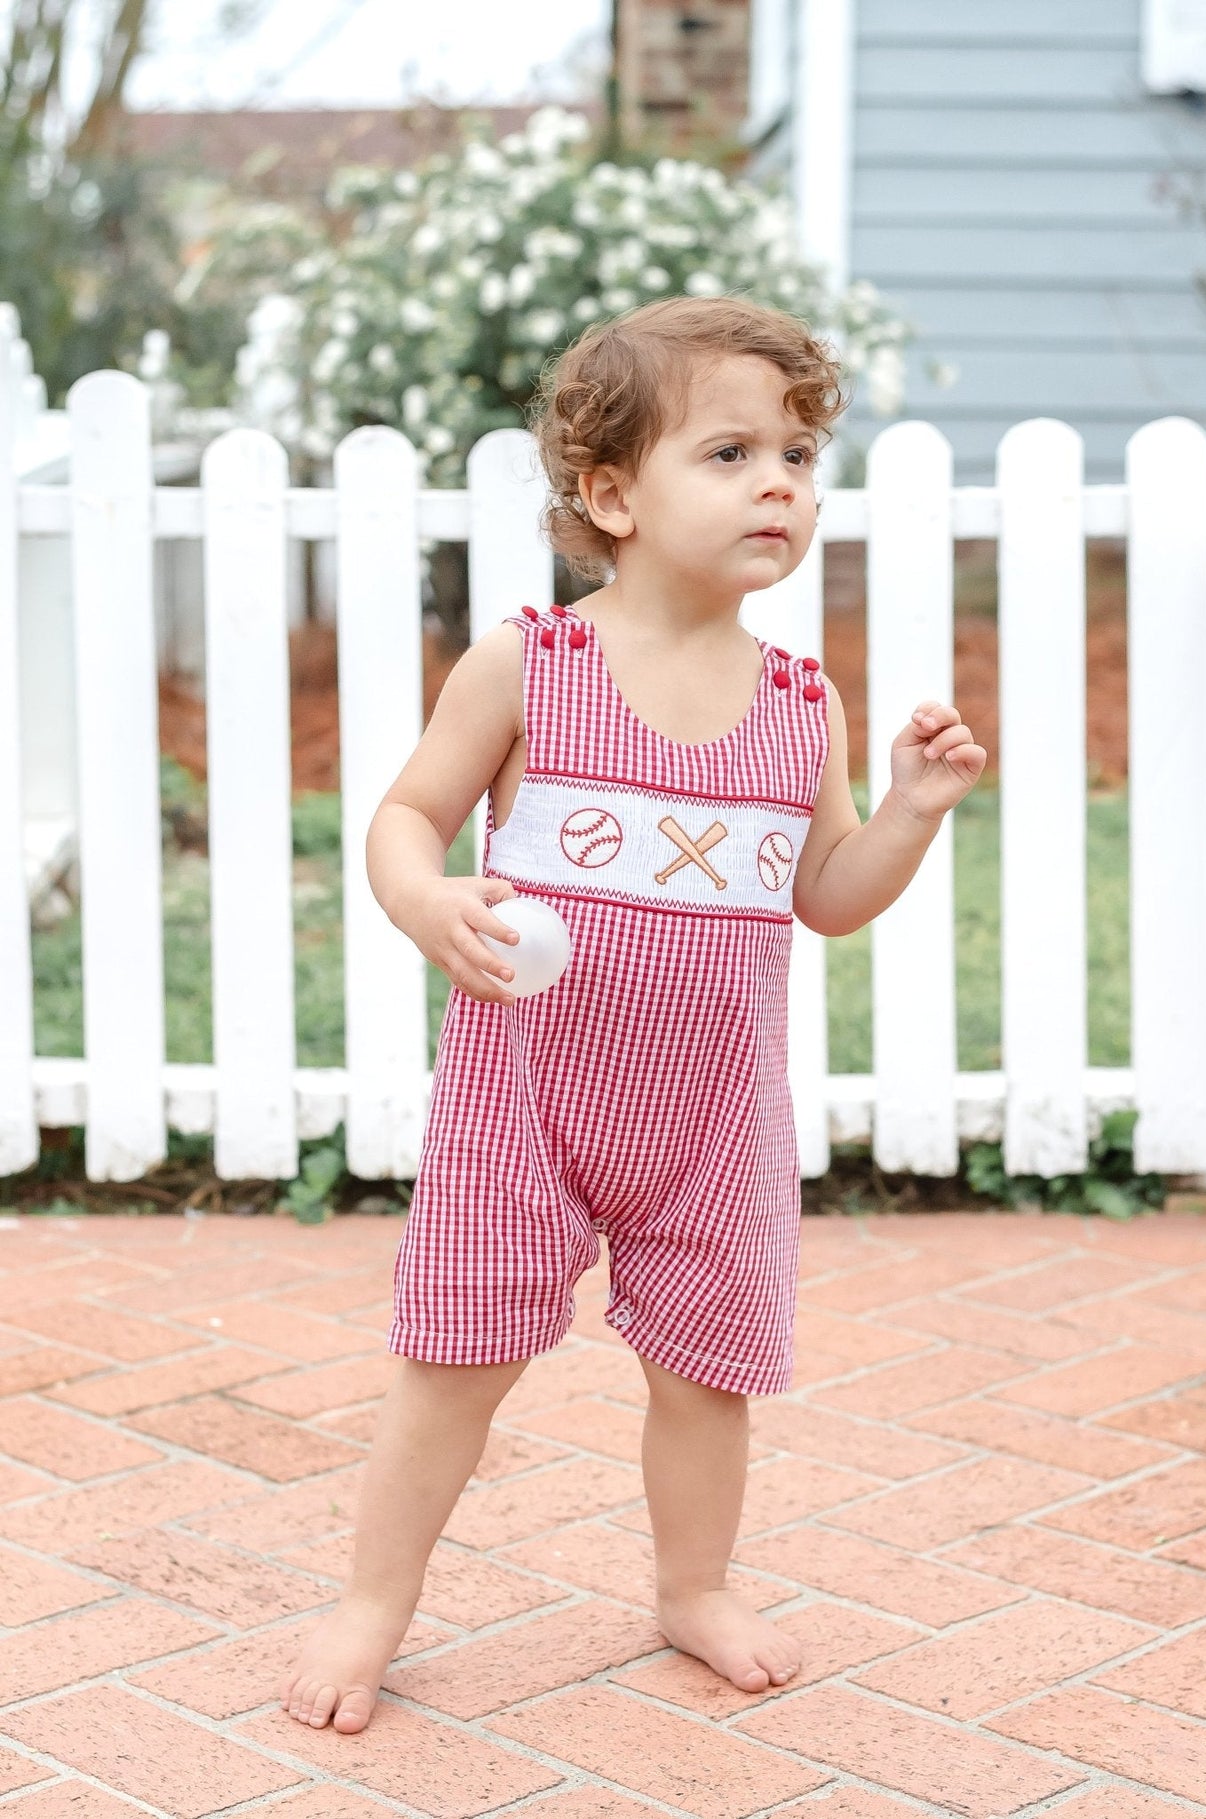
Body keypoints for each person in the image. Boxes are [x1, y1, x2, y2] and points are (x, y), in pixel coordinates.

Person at [282, 294, 986, 1733]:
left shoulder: (803, 706)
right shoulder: (531, 667)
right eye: (728, 453)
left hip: (711, 1114)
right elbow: (408, 817)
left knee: (702, 1373)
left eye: (795, 451)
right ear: (610, 493)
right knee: (456, 1362)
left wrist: (910, 815)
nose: (778, 480)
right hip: (524, 1100)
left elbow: (829, 893)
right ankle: (371, 1604)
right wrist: (426, 903)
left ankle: (692, 1586)